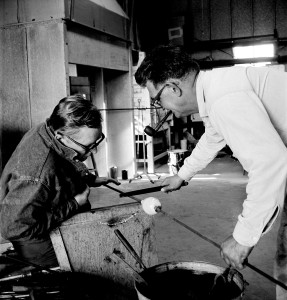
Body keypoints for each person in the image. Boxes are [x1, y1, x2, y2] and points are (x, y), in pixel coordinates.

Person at [135, 45, 287, 299]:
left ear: (173, 88)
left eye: (157, 99)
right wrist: (182, 175)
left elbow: (269, 163)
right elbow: (213, 138)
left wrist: (242, 238)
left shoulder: (225, 99)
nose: (159, 107)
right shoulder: (217, 89)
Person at [0, 95, 119, 267]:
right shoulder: (38, 172)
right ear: (61, 136)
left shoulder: (47, 129)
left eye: (96, 142)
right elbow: (14, 229)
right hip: (35, 242)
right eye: (88, 146)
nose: (93, 152)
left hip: (43, 210)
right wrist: (74, 204)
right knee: (89, 264)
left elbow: (64, 158)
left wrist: (88, 178)